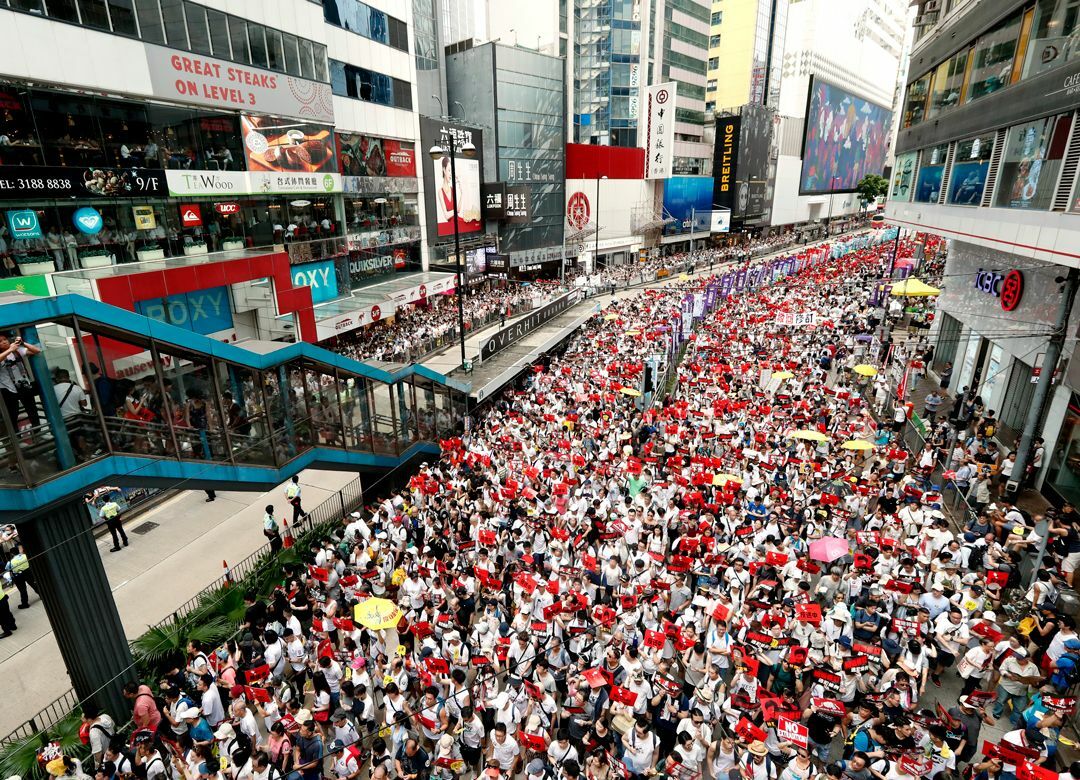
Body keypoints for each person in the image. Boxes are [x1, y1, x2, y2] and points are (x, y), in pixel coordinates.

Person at [6, 542, 35, 609]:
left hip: (18, 577)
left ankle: (25, 604)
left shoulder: (10, 562)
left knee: (22, 590)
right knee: (34, 584)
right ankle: (42, 595)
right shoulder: (25, 556)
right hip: (27, 572)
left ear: (12, 554)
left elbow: (7, 569)